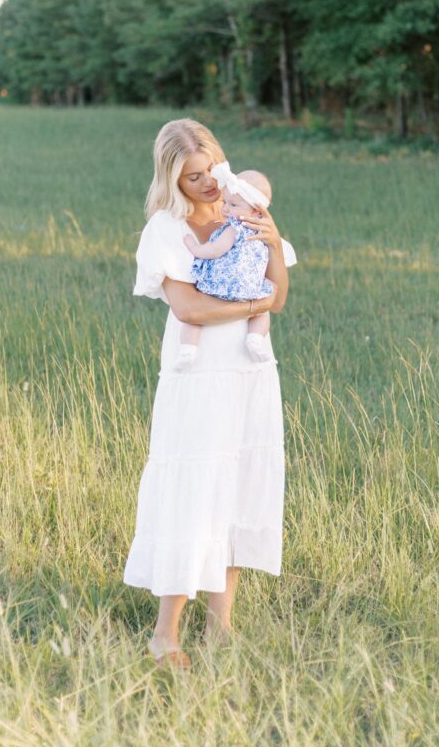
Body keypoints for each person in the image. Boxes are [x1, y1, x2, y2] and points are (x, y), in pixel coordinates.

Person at [123, 118, 297, 669]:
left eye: (209, 172)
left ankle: (222, 628)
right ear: (172, 179)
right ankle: (165, 634)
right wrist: (251, 307)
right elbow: (190, 308)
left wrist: (270, 244)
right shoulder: (166, 230)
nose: (206, 185)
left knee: (239, 483)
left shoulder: (246, 211)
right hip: (198, 375)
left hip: (249, 371)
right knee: (193, 489)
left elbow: (281, 295)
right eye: (191, 177)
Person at [176, 162, 276, 370]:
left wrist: (194, 247)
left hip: (223, 284)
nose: (226, 209)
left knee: (194, 319)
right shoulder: (261, 232)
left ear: (256, 210)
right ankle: (255, 338)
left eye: (234, 205)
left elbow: (215, 250)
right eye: (226, 202)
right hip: (250, 289)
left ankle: (188, 349)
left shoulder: (233, 229)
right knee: (262, 313)